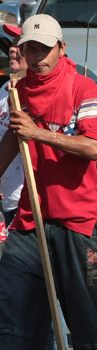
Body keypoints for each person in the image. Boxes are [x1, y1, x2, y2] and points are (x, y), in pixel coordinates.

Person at [0, 13, 97, 350]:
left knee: (89, 327)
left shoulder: (83, 87)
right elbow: (11, 143)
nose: (37, 57)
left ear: (61, 48)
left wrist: (39, 133)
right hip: (30, 219)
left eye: (44, 49)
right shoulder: (17, 91)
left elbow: (93, 147)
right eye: (30, 49)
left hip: (78, 220)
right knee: (12, 319)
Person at [0, 24, 26, 229]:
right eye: (12, 43)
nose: (11, 49)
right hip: (7, 198)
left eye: (20, 44)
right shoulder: (4, 87)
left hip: (28, 202)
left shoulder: (38, 92)